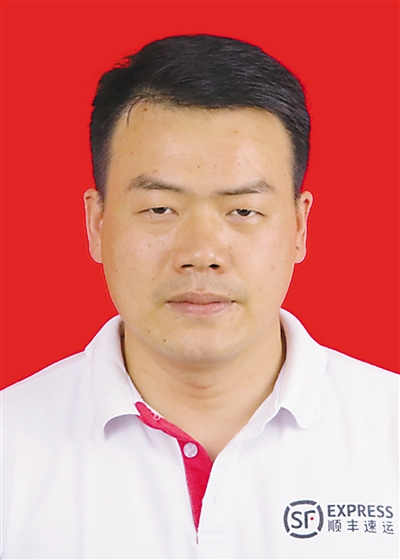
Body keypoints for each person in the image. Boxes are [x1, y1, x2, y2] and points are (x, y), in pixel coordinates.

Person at [1, 34, 398, 560]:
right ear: (97, 224)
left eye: (243, 211)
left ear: (300, 227)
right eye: (160, 209)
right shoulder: (10, 446)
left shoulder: (389, 431)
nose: (202, 254)